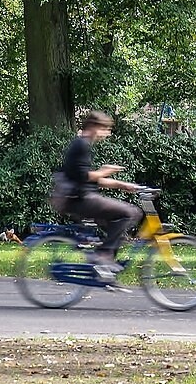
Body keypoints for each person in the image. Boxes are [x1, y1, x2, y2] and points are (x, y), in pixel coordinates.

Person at [59, 110, 143, 280]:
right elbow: (85, 176)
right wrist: (104, 171)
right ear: (93, 127)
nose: (107, 133)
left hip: (78, 197)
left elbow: (92, 179)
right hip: (79, 199)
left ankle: (106, 273)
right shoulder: (81, 145)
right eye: (105, 129)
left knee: (116, 225)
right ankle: (103, 256)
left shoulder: (82, 144)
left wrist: (123, 185)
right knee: (129, 213)